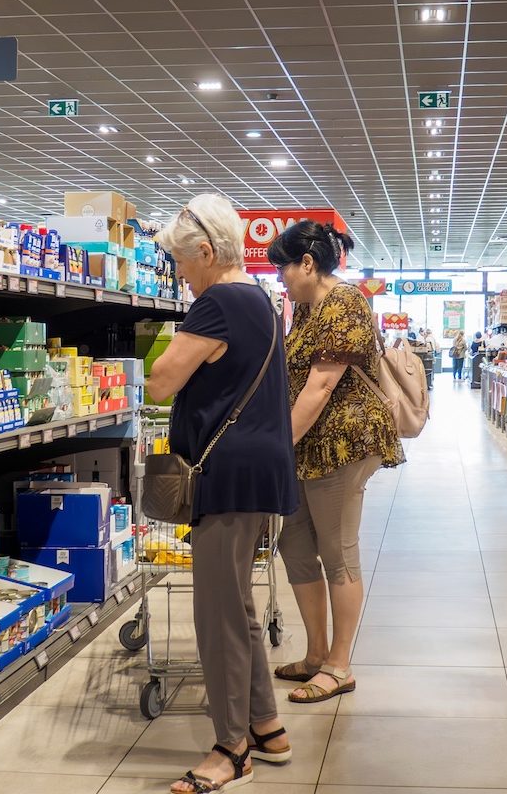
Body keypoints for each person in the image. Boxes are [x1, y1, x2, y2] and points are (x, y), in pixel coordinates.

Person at [147, 193, 299, 793]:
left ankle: (230, 747)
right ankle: (265, 725)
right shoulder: (258, 299)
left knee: (216, 616)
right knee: (236, 605)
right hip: (257, 468)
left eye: (183, 263)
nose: (180, 275)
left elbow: (160, 384)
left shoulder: (216, 303)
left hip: (227, 473)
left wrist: (170, 346)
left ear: (207, 252)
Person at [265, 221, 405, 705]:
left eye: (282, 267)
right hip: (307, 444)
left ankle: (340, 665)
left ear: (307, 263)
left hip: (343, 443)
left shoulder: (344, 303)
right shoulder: (306, 308)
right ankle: (316, 653)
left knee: (337, 549)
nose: (280, 278)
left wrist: (275, 445)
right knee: (296, 545)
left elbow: (321, 387)